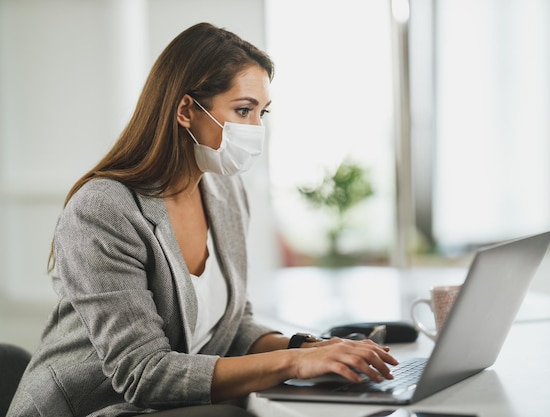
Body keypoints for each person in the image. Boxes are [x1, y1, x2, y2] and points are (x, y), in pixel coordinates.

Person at [7, 22, 398, 417]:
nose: (257, 129)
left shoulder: (224, 192)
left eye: (262, 113)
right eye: (243, 110)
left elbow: (232, 328)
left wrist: (309, 348)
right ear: (185, 110)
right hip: (95, 408)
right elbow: (143, 373)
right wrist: (294, 364)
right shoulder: (103, 209)